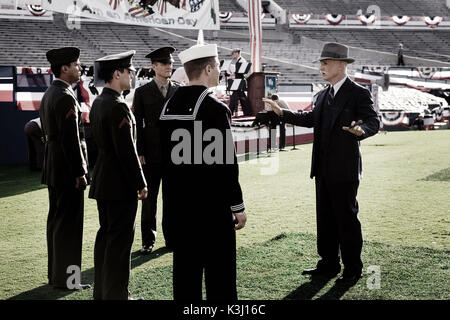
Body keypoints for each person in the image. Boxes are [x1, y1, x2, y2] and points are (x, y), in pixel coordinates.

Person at [264, 42, 380, 285]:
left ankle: (353, 268)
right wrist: (281, 113)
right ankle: (328, 264)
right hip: (322, 169)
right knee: (325, 219)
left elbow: (373, 121)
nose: (321, 67)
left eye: (325, 63)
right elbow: (310, 120)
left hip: (345, 169)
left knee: (346, 219)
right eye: (321, 63)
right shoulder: (322, 94)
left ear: (341, 65)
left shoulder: (358, 93)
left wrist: (362, 130)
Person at [159, 43, 247, 300]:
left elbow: (166, 163)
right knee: (221, 280)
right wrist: (237, 206)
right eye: (218, 66)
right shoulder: (216, 109)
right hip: (211, 211)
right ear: (208, 68)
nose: (220, 70)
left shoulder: (167, 107)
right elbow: (226, 164)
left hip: (178, 209)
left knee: (185, 280)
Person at [89, 50, 148, 300]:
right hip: (119, 185)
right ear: (117, 73)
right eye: (129, 71)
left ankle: (103, 293)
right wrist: (141, 183)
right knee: (119, 244)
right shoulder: (117, 106)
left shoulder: (99, 102)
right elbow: (127, 152)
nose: (133, 74)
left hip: (104, 181)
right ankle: (117, 296)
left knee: (106, 238)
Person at [39, 47, 90, 290]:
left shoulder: (50, 93)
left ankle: (56, 276)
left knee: (57, 224)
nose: (80, 68)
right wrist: (80, 172)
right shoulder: (66, 96)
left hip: (53, 167)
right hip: (67, 171)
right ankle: (70, 281)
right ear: (64, 68)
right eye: (76, 64)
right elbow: (71, 140)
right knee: (70, 227)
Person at [133, 46, 179, 254]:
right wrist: (140, 151)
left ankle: (172, 239)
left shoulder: (178, 90)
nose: (169, 66)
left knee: (172, 199)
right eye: (164, 63)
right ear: (154, 66)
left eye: (170, 63)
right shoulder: (142, 92)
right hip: (150, 154)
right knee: (149, 200)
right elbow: (138, 124)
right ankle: (148, 241)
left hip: (174, 154)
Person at [227, 48, 251, 116]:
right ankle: (246, 112)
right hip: (237, 80)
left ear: (237, 53)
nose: (233, 55)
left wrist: (233, 73)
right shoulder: (236, 60)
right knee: (240, 97)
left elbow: (241, 71)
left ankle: (231, 112)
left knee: (238, 97)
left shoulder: (242, 60)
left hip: (239, 80)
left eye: (234, 53)